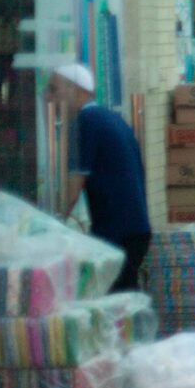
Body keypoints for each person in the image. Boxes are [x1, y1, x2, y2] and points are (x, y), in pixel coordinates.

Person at [48, 64, 151, 290]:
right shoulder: (110, 117)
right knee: (125, 301)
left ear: (74, 89)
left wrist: (48, 226)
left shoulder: (85, 122)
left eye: (53, 89)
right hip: (135, 229)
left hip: (116, 234)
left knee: (112, 305)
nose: (48, 97)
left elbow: (72, 190)